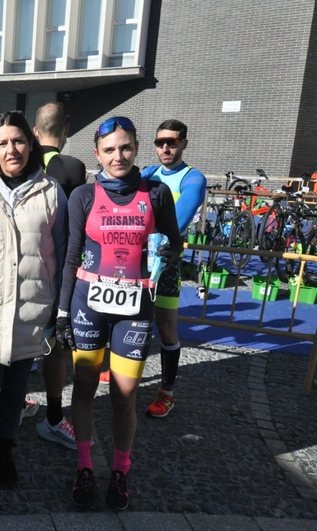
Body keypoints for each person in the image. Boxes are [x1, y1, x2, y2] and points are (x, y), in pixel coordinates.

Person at [55, 116, 181, 510]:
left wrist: (164, 250)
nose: (118, 156)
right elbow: (71, 255)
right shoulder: (83, 197)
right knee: (86, 388)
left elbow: (175, 245)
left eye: (125, 147)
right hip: (88, 305)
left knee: (125, 396)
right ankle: (86, 467)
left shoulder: (156, 193)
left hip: (134, 308)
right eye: (109, 150)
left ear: (136, 148)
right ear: (97, 154)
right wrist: (61, 313)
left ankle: (121, 472)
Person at [0, 110, 67, 494]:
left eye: (18, 140)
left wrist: (58, 310)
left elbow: (64, 252)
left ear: (31, 143)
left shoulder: (51, 192)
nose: (11, 149)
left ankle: (5, 450)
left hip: (30, 310)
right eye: (2, 142)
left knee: (16, 390)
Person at [141, 119, 207, 418]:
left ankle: (166, 391)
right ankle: (127, 372)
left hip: (166, 264)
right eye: (160, 142)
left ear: (184, 144)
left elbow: (176, 223)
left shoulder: (192, 178)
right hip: (138, 260)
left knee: (166, 327)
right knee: (131, 321)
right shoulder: (147, 173)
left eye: (172, 142)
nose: (165, 148)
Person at [31, 101, 87, 448]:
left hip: (18, 269)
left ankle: (15, 402)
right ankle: (53, 417)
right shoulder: (73, 166)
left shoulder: (17, 162)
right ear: (65, 131)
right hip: (56, 272)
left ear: (35, 133)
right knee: (54, 347)